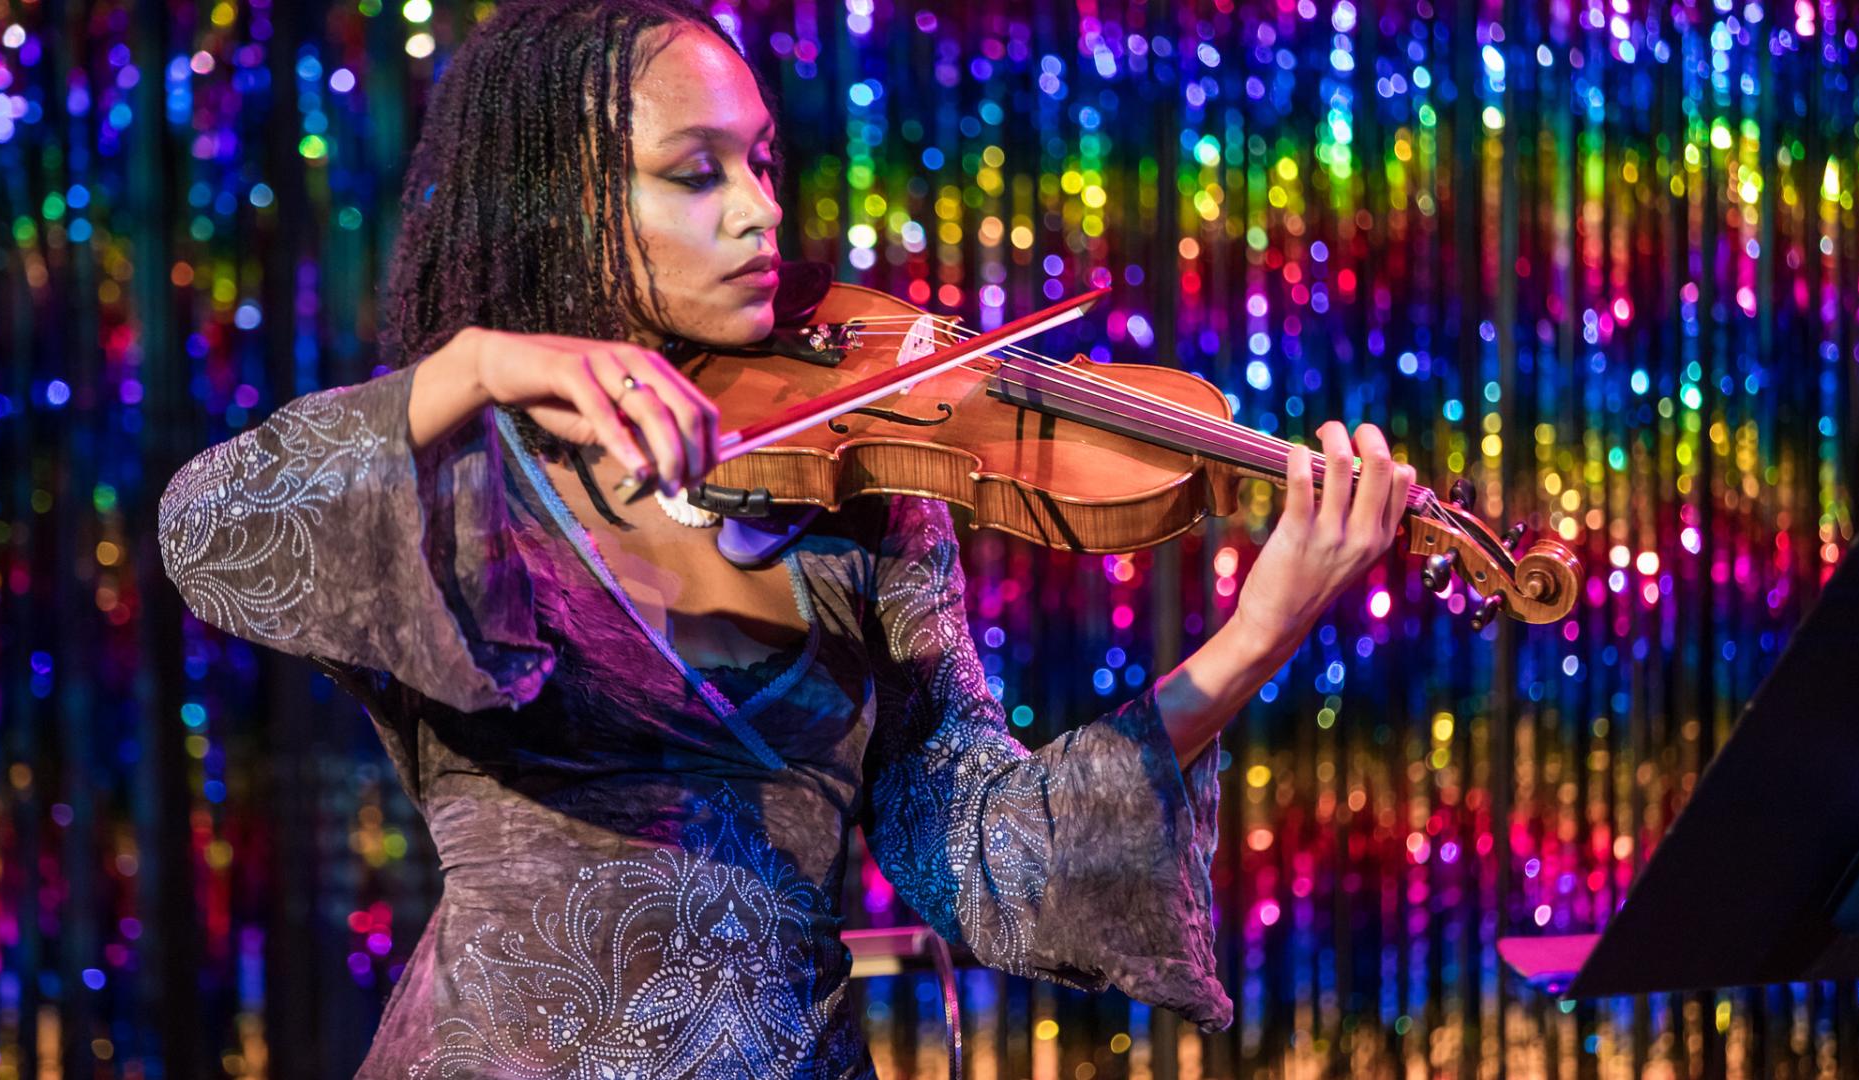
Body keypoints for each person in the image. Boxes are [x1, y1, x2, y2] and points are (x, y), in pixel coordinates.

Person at [157, 1, 1415, 1075]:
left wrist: (1255, 636)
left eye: (761, 161)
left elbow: (984, 863)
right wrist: (474, 368)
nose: (762, 211)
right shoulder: (458, 477)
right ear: (560, 206)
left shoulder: (864, 491)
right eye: (696, 173)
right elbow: (216, 533)